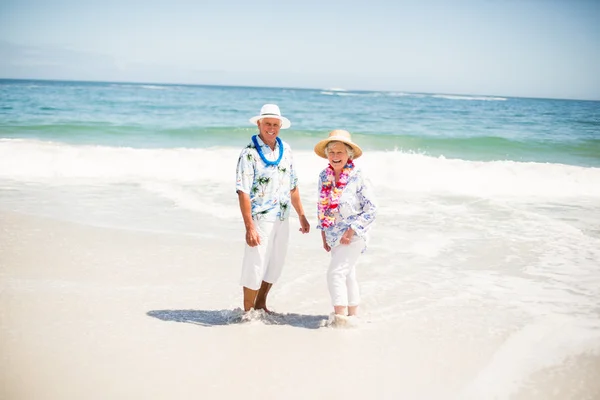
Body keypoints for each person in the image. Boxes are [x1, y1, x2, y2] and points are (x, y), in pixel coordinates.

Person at [235, 104, 310, 313]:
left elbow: (293, 184)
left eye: (275, 124)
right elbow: (243, 191)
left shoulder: (286, 149)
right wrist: (249, 226)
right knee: (255, 263)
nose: (271, 128)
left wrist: (302, 215)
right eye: (267, 123)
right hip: (260, 217)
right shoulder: (249, 153)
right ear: (259, 124)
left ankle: (261, 305)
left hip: (282, 215)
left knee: (276, 261)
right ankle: (248, 313)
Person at [314, 129, 377, 321]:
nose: (335, 156)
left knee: (335, 273)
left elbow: (371, 209)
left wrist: (350, 231)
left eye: (339, 152)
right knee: (348, 273)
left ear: (348, 154)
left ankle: (340, 318)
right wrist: (324, 234)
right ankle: (353, 315)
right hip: (333, 236)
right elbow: (321, 206)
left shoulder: (358, 176)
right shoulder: (324, 176)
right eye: (331, 152)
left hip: (354, 235)